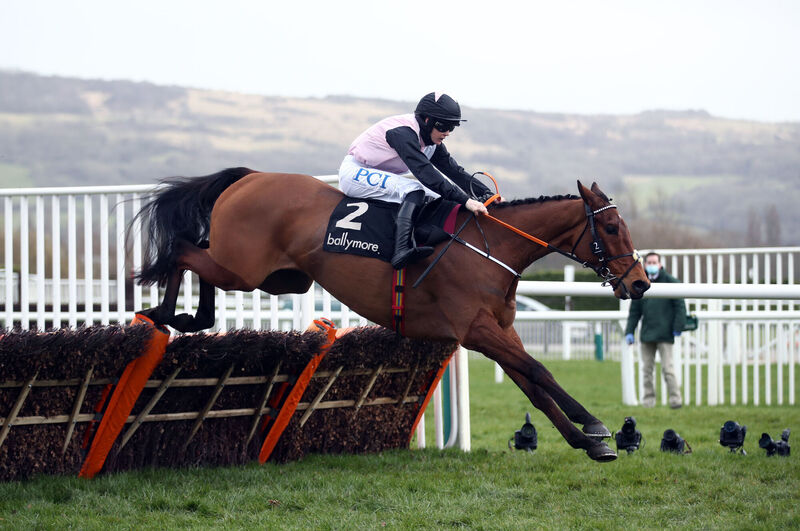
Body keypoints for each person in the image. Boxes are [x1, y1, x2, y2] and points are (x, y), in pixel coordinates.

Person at [339, 92, 495, 269]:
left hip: (382, 174)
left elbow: (455, 171)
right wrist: (466, 200)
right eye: (443, 126)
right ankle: (401, 251)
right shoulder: (402, 133)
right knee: (414, 190)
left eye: (452, 127)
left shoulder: (431, 141)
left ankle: (422, 235)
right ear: (426, 120)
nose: (448, 132)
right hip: (355, 172)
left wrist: (488, 194)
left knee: (437, 197)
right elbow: (425, 173)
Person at [624, 252, 686, 408]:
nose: (651, 265)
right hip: (647, 334)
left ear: (660, 264)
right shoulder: (640, 284)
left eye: (654, 262)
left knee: (668, 369)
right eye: (649, 262)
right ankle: (648, 401)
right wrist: (629, 331)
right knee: (646, 371)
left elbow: (680, 307)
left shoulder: (671, 282)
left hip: (666, 334)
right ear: (645, 265)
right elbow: (634, 312)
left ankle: (675, 400)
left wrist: (678, 327)